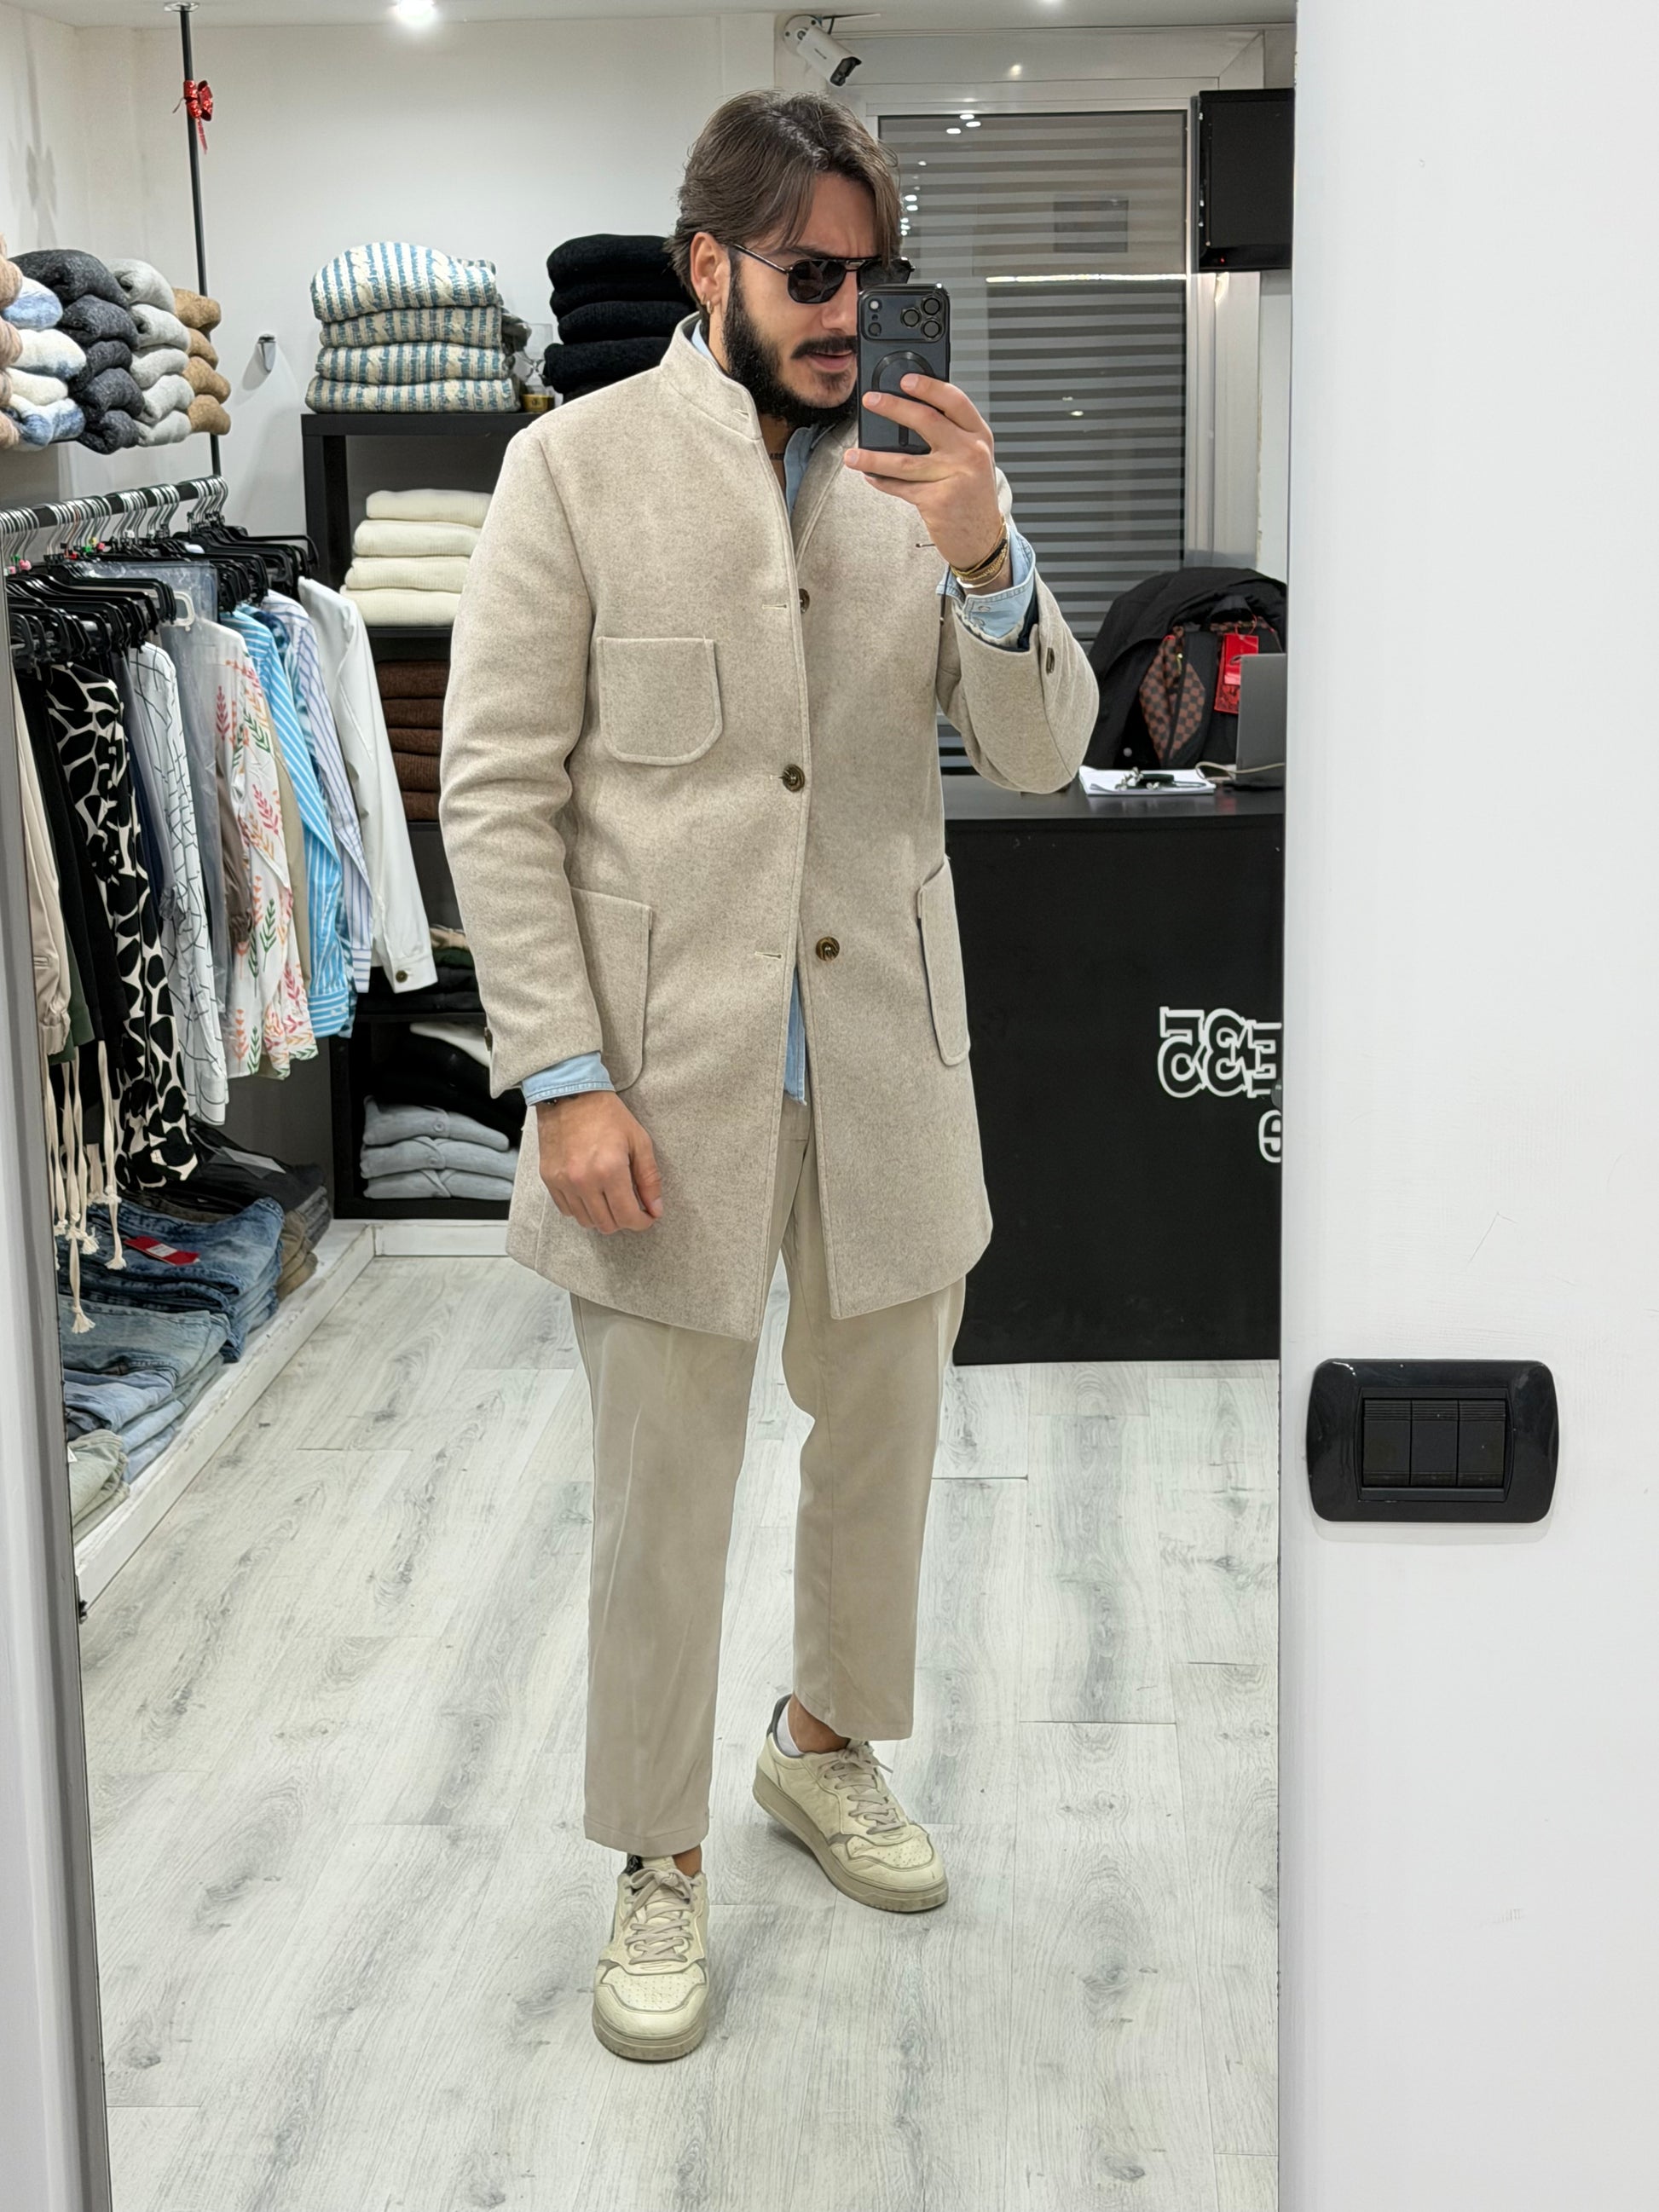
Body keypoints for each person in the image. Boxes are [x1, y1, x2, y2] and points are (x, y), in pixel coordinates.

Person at [440, 88, 1097, 2064]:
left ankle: (821, 1740)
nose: (846, 314)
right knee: (662, 1490)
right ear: (709, 263)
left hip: (891, 1057)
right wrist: (562, 1073)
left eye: (874, 277)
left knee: (880, 1438)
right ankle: (657, 1852)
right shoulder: (572, 472)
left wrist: (985, 558)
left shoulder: (929, 475)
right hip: (661, 1085)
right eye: (812, 274)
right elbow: (496, 791)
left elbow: (1046, 751)